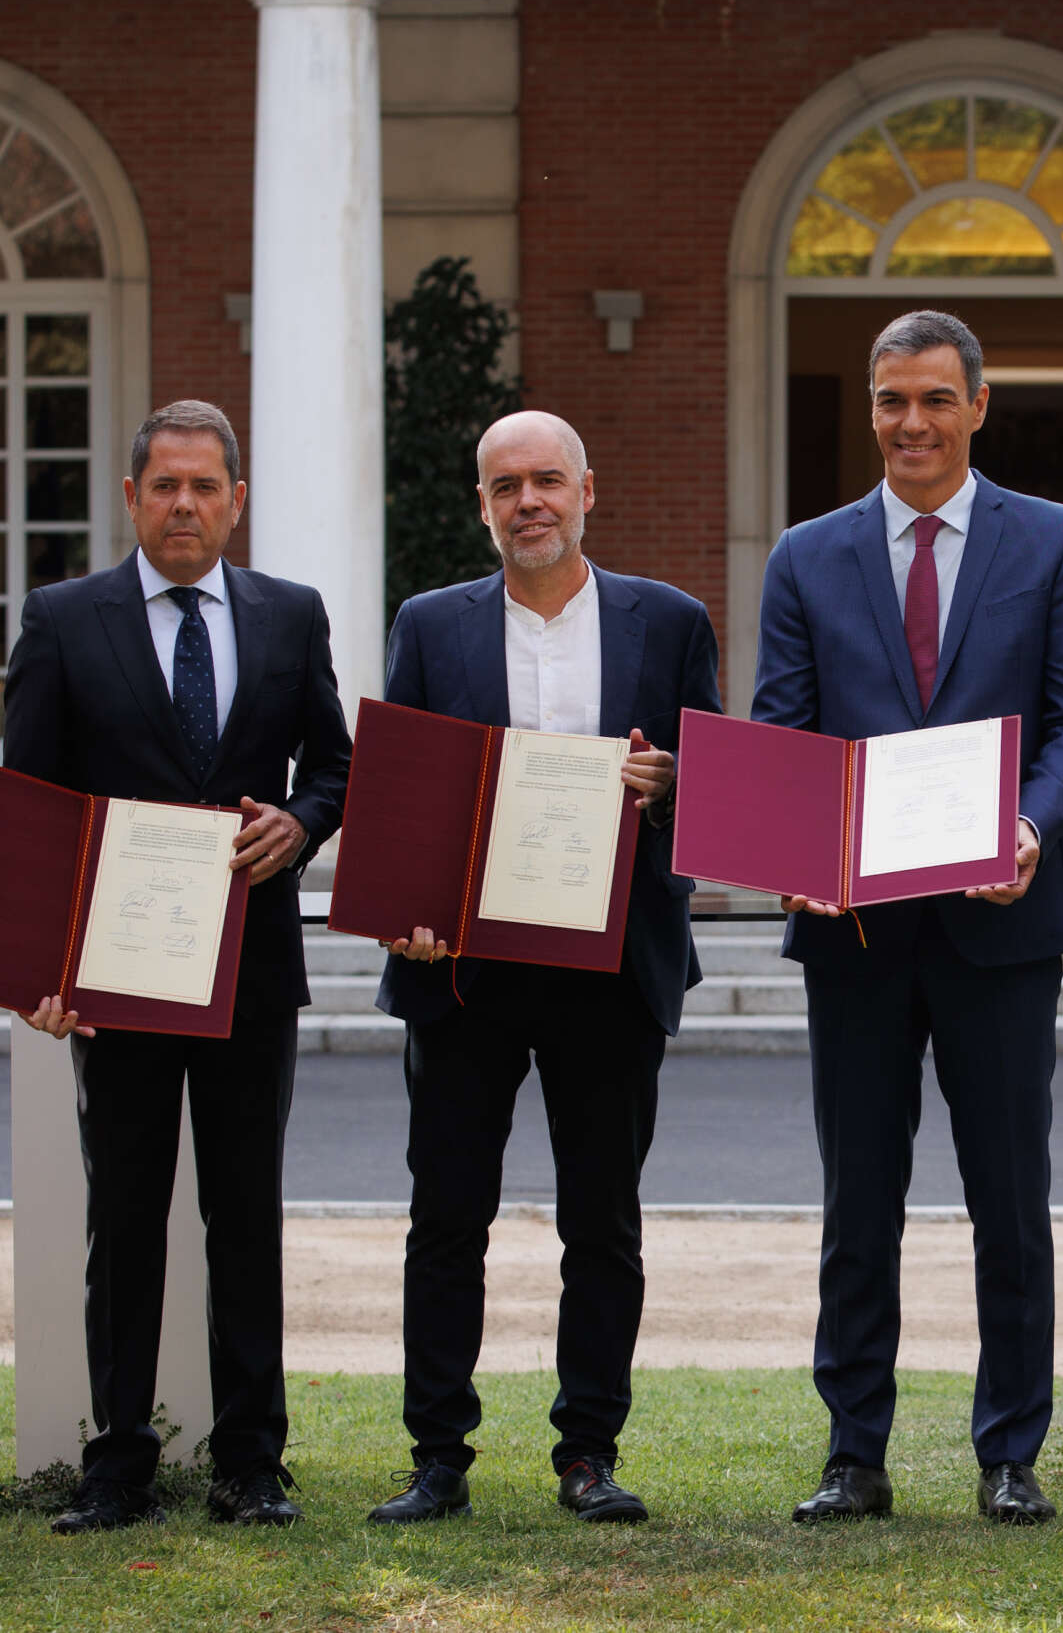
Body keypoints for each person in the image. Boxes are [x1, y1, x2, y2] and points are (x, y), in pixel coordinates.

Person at [753, 309, 1063, 1527]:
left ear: (977, 405)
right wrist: (796, 848)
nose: (913, 423)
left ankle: (1010, 1451)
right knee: (859, 1199)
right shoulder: (805, 555)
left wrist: (1028, 826)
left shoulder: (1053, 539)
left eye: (934, 401)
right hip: (853, 932)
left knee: (1009, 1197)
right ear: (870, 409)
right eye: (892, 401)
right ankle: (853, 1450)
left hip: (999, 919)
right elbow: (785, 727)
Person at [363, 410, 721, 1527]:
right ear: (481, 503)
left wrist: (670, 784)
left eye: (548, 481)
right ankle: (437, 1455)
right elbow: (406, 789)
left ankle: (588, 1451)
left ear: (587, 491)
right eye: (507, 484)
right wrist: (404, 912)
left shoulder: (668, 622)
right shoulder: (429, 624)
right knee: (445, 1215)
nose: (530, 501)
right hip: (464, 968)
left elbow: (715, 789)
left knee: (603, 1220)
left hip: (612, 966)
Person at [4, 400, 351, 1533]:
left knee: (245, 1214)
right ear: (132, 497)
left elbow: (336, 767)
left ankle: (253, 1461)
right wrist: (43, 968)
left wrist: (299, 824)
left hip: (252, 963)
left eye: (206, 487)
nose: (186, 504)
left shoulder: (291, 615)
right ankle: (118, 1463)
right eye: (166, 486)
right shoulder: (62, 618)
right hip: (119, 972)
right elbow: (32, 808)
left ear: (236, 501)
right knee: (128, 1215)